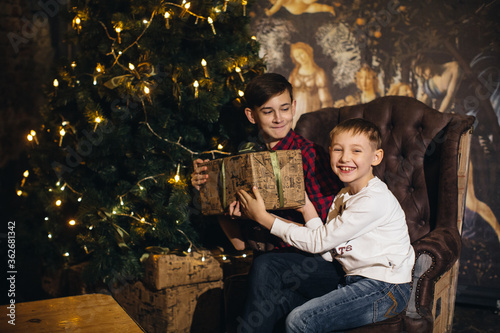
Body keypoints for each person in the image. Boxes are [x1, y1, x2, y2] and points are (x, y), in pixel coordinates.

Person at [191, 73, 344, 332]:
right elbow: (240, 243)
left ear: (294, 107)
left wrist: (261, 216)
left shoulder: (311, 155)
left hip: (318, 262)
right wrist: (209, 193)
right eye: (268, 111)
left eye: (284, 109)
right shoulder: (245, 160)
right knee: (266, 288)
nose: (278, 118)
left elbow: (328, 235)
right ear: (252, 116)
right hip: (269, 264)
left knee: (265, 265)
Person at [236, 118, 415, 332]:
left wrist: (262, 217)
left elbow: (317, 242)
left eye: (356, 151)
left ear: (376, 157)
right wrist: (305, 208)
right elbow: (328, 251)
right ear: (330, 152)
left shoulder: (374, 199)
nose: (345, 158)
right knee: (268, 265)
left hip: (385, 288)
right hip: (349, 275)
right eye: (338, 150)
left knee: (299, 320)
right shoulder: (344, 195)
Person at [289, 42, 333, 128]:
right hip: (296, 111)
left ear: (307, 52)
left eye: (301, 54)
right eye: (297, 56)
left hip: (312, 109)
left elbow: (325, 99)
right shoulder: (294, 73)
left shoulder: (319, 73)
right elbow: (288, 95)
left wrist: (324, 118)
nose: (300, 58)